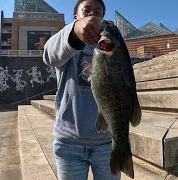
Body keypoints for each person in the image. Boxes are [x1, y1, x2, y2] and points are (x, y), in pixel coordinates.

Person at [43, 0, 121, 179]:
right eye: (87, 10)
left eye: (98, 12)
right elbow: (49, 55)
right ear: (76, 17)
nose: (93, 14)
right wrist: (75, 31)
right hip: (69, 145)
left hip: (107, 143)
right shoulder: (65, 41)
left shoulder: (110, 46)